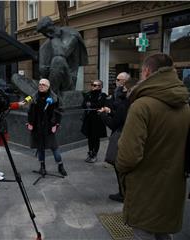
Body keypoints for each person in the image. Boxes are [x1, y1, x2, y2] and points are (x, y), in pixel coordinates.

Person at [116, 53, 190, 239]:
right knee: (163, 233)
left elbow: (128, 156)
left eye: (142, 71)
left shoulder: (142, 105)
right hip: (173, 185)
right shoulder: (184, 105)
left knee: (144, 233)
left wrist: (123, 173)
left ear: (147, 72)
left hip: (145, 188)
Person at [98, 73, 136, 203]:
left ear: (126, 84)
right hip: (128, 134)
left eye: (119, 81)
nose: (116, 83)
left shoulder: (126, 102)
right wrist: (110, 112)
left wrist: (103, 115)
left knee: (119, 165)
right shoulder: (127, 100)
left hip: (123, 136)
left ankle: (123, 193)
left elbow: (115, 123)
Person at [36, 16, 88, 94]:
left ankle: (51, 95)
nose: (46, 34)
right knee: (16, 78)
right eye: (44, 33)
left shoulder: (71, 35)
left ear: (52, 25)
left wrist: (55, 38)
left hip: (68, 81)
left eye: (47, 31)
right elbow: (42, 70)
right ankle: (42, 92)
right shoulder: (44, 47)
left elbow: (62, 53)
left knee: (58, 60)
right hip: (48, 81)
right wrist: (44, 69)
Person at [27, 78, 67, 176]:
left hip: (49, 126)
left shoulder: (54, 98)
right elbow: (30, 111)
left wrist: (56, 124)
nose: (41, 86)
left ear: (48, 87)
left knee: (54, 148)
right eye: (40, 84)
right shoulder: (34, 97)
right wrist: (30, 123)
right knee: (40, 148)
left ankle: (60, 166)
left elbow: (59, 111)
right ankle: (42, 167)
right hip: (37, 127)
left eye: (43, 84)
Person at [81, 80, 108, 163]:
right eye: (93, 85)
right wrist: (91, 104)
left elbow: (100, 104)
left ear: (100, 87)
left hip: (98, 120)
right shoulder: (88, 94)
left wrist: (90, 104)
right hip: (89, 119)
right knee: (89, 137)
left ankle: (94, 154)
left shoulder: (102, 95)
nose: (94, 86)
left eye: (97, 85)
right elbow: (83, 104)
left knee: (96, 138)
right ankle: (90, 153)